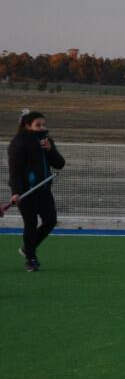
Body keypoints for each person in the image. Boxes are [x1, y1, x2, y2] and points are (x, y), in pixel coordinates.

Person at [8, 110, 65, 272]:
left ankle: (28, 248)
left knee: (50, 221)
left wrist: (50, 150)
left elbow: (59, 164)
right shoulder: (18, 143)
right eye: (38, 125)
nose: (42, 127)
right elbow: (15, 172)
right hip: (26, 191)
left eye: (43, 124)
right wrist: (16, 192)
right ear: (27, 125)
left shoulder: (47, 141)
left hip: (44, 189)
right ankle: (31, 259)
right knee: (31, 223)